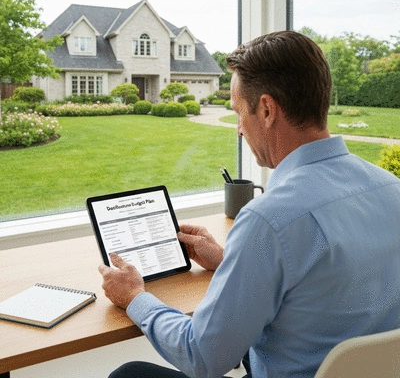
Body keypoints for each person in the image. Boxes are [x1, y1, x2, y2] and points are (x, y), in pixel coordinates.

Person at [98, 31, 400, 378]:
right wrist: (231, 262)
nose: (240, 129)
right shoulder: (391, 188)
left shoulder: (268, 221)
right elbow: (323, 282)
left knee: (130, 374)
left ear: (267, 109)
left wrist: (135, 296)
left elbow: (202, 356)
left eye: (239, 112)